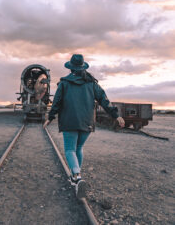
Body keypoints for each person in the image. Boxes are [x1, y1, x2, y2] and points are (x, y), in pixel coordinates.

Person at [43, 54, 125, 195]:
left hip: (69, 121)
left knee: (70, 150)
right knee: (79, 147)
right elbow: (104, 100)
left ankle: (77, 176)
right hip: (86, 121)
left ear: (71, 68)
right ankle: (76, 178)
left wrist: (50, 117)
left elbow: (56, 102)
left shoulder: (64, 83)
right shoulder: (92, 84)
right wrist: (116, 115)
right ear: (82, 67)